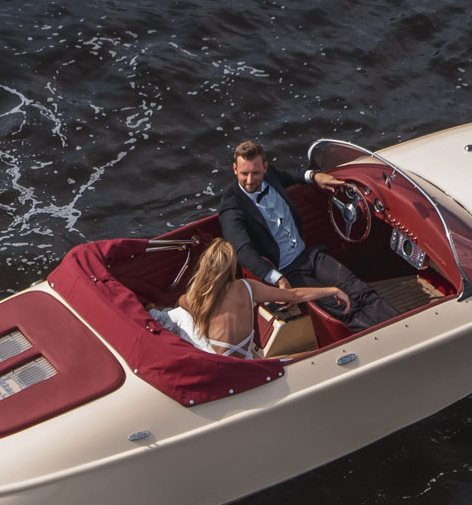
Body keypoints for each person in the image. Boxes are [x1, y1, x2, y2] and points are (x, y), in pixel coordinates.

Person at [217, 139, 394, 331]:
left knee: (359, 289)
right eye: (244, 174)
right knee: (342, 307)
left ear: (265, 168)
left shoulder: (271, 175)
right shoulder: (231, 205)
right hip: (288, 270)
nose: (250, 180)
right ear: (235, 169)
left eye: (256, 173)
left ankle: (402, 326)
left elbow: (290, 175)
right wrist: (278, 279)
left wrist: (316, 176)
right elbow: (242, 250)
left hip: (310, 256)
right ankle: (382, 339)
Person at [151, 239, 346, 358]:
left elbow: (184, 303)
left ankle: (151, 319)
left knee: (174, 313)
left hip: (217, 357)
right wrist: (332, 290)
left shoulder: (198, 295)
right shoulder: (247, 287)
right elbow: (294, 295)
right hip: (242, 356)